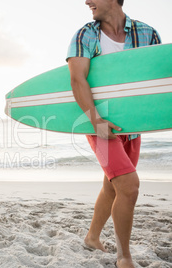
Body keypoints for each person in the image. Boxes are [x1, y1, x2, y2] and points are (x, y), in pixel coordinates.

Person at [66, 1, 161, 267]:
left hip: (132, 126)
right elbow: (77, 79)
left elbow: (155, 78)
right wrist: (96, 121)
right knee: (129, 187)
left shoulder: (148, 34)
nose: (87, 1)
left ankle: (92, 238)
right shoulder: (86, 34)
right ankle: (124, 257)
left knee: (113, 184)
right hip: (97, 122)